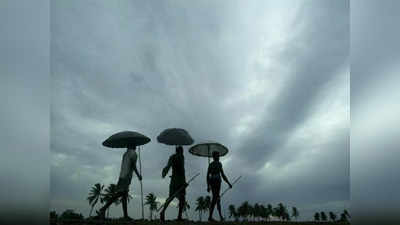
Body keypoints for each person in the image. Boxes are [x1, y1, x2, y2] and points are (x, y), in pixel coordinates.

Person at [97, 144, 142, 221]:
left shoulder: (125, 154)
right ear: (131, 146)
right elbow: (133, 166)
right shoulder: (133, 153)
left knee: (124, 196)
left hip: (122, 176)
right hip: (126, 176)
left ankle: (125, 216)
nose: (136, 146)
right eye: (134, 144)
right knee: (120, 194)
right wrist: (138, 175)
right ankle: (103, 208)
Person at [159, 146, 187, 222]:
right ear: (181, 151)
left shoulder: (172, 157)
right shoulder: (181, 157)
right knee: (182, 198)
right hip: (179, 181)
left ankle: (163, 212)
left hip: (174, 180)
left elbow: (168, 167)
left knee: (171, 197)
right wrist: (184, 182)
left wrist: (164, 172)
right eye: (182, 150)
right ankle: (179, 216)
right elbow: (182, 170)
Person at [207, 151, 232, 222]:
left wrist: (228, 183)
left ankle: (220, 217)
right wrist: (208, 186)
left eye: (218, 155)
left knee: (217, 199)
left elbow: (223, 175)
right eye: (217, 156)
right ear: (214, 157)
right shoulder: (211, 165)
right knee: (215, 198)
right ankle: (210, 217)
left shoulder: (218, 164)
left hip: (218, 182)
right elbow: (207, 176)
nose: (219, 157)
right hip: (213, 182)